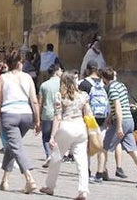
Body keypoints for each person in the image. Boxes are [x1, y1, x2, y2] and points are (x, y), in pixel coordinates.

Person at [40, 71, 94, 200]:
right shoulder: (83, 95)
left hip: (66, 126)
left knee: (56, 158)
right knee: (82, 161)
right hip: (80, 127)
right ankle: (83, 190)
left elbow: (57, 117)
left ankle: (50, 186)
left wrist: (52, 136)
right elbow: (88, 114)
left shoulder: (60, 96)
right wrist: (92, 131)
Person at [0, 48, 40, 193]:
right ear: (20, 62)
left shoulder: (3, 78)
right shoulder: (27, 78)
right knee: (13, 145)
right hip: (26, 115)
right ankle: (5, 180)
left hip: (9, 114)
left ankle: (29, 179)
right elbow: (34, 100)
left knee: (16, 147)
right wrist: (37, 119)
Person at [102, 67, 137, 183]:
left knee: (103, 148)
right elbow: (124, 103)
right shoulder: (121, 85)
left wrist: (118, 126)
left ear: (104, 78)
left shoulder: (111, 88)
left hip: (120, 121)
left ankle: (100, 173)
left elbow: (118, 107)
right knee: (133, 151)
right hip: (129, 120)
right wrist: (109, 117)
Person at [79, 63, 110, 181]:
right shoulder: (104, 84)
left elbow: (80, 102)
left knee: (87, 145)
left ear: (87, 70)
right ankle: (100, 173)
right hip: (103, 118)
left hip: (89, 118)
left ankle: (86, 171)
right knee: (101, 146)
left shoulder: (83, 84)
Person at [38, 64, 62, 162]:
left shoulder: (44, 85)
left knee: (46, 136)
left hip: (46, 113)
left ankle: (48, 154)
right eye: (61, 70)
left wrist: (38, 116)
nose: (62, 72)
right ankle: (55, 155)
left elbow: (40, 101)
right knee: (57, 135)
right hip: (59, 113)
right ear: (56, 72)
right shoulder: (62, 84)